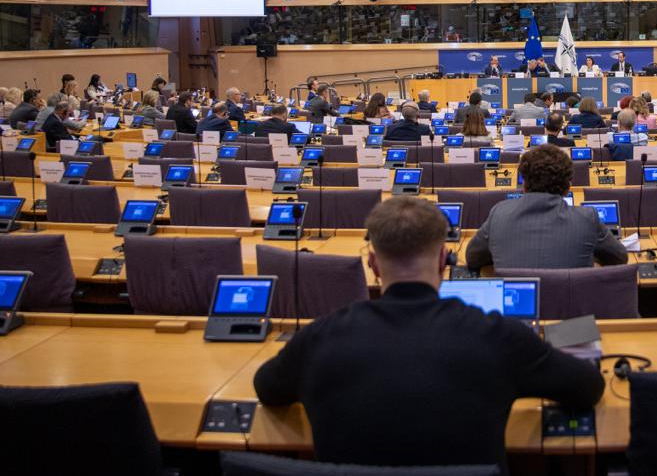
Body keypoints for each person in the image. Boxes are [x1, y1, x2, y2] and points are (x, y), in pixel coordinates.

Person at [253, 196, 605, 469]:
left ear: (373, 263)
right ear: (443, 259)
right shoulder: (499, 337)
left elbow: (267, 388)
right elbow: (588, 387)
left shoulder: (319, 338)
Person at [466, 145, 627, 270]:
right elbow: (619, 258)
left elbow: (472, 258)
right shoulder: (587, 218)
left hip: (517, 304)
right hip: (570, 304)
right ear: (568, 187)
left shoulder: (499, 214)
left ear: (524, 185)